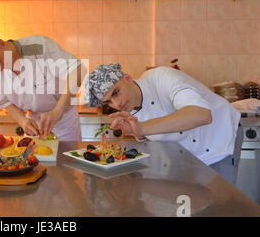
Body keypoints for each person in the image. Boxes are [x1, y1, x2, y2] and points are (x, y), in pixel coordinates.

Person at [85, 64, 242, 184]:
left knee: (219, 206)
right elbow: (156, 139)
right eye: (109, 102)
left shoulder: (161, 77)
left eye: (116, 92)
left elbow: (201, 114)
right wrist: (138, 134)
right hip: (187, 154)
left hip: (219, 137)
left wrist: (142, 128)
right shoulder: (129, 109)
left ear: (128, 78)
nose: (116, 103)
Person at [0, 33, 85, 140]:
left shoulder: (39, 46)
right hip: (34, 127)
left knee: (66, 163)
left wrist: (58, 110)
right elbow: (6, 103)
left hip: (63, 121)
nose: (0, 69)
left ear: (1, 43)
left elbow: (78, 69)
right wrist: (23, 121)